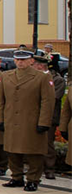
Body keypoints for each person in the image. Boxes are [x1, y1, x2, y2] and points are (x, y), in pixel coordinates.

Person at [0, 49, 53, 191]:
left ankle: (33, 179)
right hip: (11, 120)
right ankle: (16, 177)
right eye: (18, 60)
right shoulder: (6, 76)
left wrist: (44, 122)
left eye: (23, 60)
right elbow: (0, 100)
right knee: (12, 150)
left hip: (31, 121)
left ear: (31, 61)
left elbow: (47, 101)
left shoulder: (41, 77)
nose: (20, 62)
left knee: (34, 152)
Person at [38, 52, 64, 180]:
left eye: (39, 64)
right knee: (34, 143)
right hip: (33, 116)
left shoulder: (57, 80)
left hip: (50, 117)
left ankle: (49, 169)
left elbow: (53, 98)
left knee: (47, 144)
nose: (37, 66)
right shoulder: (34, 78)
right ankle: (37, 168)